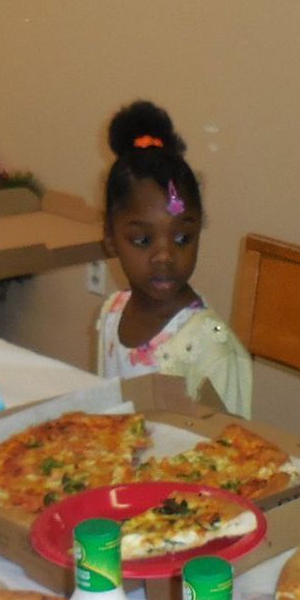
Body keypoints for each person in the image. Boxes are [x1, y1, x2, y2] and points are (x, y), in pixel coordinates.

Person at [96, 102, 252, 415]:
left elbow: (231, 447)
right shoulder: (112, 313)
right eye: (142, 240)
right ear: (111, 238)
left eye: (182, 238)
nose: (165, 256)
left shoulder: (210, 346)